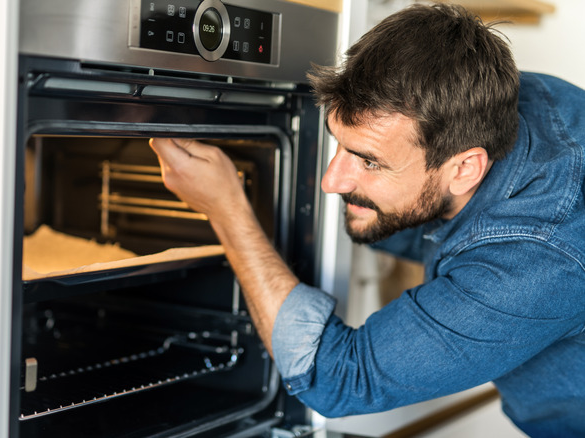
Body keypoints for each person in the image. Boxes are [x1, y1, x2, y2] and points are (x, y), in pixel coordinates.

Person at [149, 3, 585, 437]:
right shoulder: (500, 100)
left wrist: (227, 209)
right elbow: (427, 213)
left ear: (465, 168)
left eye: (369, 162)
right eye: (339, 142)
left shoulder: (537, 260)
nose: (331, 182)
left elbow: (337, 378)